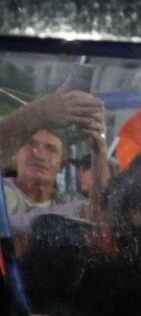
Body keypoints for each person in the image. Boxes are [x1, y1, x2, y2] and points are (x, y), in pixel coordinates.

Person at [0, 90, 108, 233]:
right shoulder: (3, 194)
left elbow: (102, 216)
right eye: (31, 144)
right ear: (14, 154)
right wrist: (39, 111)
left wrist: (98, 150)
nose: (39, 155)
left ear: (61, 166)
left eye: (50, 149)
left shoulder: (70, 203)